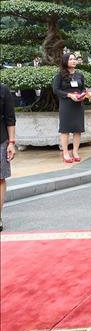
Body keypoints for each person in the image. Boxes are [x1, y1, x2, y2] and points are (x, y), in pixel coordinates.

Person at [52, 52, 86, 163]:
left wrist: (83, 95)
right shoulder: (60, 75)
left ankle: (75, 151)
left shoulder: (80, 75)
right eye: (71, 59)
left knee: (78, 129)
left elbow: (83, 88)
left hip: (78, 104)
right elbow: (56, 90)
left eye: (74, 59)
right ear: (65, 61)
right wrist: (69, 95)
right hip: (66, 104)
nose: (73, 61)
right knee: (65, 129)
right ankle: (66, 153)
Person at [0, 82, 17, 232]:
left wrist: (11, 142)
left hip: (1, 140)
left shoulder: (3, 89)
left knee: (0, 178)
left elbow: (10, 118)